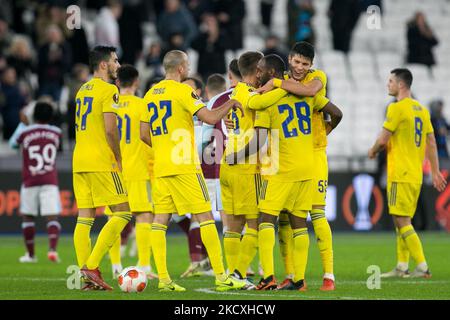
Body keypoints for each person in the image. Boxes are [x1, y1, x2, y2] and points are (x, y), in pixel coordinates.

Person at [139, 50, 246, 292]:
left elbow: (143, 134)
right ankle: (221, 276)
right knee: (205, 218)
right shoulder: (183, 91)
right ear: (180, 68)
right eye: (187, 65)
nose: (188, 68)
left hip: (162, 166)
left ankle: (165, 280)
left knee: (160, 221)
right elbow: (208, 117)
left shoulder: (149, 94)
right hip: (185, 165)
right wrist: (230, 103)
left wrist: (165, 147)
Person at [234, 54, 342, 291]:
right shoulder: (308, 93)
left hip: (282, 168)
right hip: (307, 167)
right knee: (299, 223)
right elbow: (337, 112)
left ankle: (268, 277)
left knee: (266, 220)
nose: (257, 73)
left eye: (261, 70)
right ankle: (299, 280)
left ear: (271, 74)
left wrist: (235, 157)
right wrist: (324, 132)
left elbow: (258, 128)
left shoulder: (267, 100)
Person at [258, 41, 336, 290]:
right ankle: (292, 275)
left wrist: (324, 132)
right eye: (297, 62)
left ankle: (328, 275)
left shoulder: (316, 77)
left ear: (311, 65)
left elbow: (312, 91)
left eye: (305, 63)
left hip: (313, 154)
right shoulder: (283, 83)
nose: (301, 67)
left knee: (316, 213)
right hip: (288, 153)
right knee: (287, 220)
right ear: (289, 60)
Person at [368, 68, 446, 278]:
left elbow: (383, 140)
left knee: (401, 220)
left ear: (401, 85)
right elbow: (431, 142)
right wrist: (436, 171)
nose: (388, 84)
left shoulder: (396, 108)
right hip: (415, 174)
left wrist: (373, 151)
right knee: (403, 220)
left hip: (399, 173)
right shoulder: (422, 110)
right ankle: (402, 266)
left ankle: (422, 266)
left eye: (391, 81)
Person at [220, 51, 288, 289]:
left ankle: (230, 275)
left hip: (227, 162)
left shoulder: (235, 91)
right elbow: (258, 137)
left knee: (234, 225)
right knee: (256, 223)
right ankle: (238, 273)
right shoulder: (254, 95)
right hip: (245, 165)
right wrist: (285, 86)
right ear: (258, 70)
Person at [73, 46, 131, 291]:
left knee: (84, 218)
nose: (118, 65)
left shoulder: (81, 90)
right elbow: (110, 129)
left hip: (79, 160)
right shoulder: (109, 90)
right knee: (124, 212)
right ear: (104, 65)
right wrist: (118, 157)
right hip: (100, 161)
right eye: (115, 61)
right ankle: (92, 266)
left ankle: (86, 276)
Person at [107, 64, 156, 279]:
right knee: (144, 215)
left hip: (114, 169)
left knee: (115, 217)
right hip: (138, 168)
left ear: (117, 83)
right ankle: (144, 265)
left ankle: (116, 265)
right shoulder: (142, 104)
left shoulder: (109, 105)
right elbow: (148, 136)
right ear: (136, 82)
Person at [10, 102, 62, 264]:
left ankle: (31, 255)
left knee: (28, 217)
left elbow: (13, 144)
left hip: (30, 180)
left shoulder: (25, 132)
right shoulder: (57, 132)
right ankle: (52, 250)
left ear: (34, 115)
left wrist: (23, 123)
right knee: (52, 217)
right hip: (49, 179)